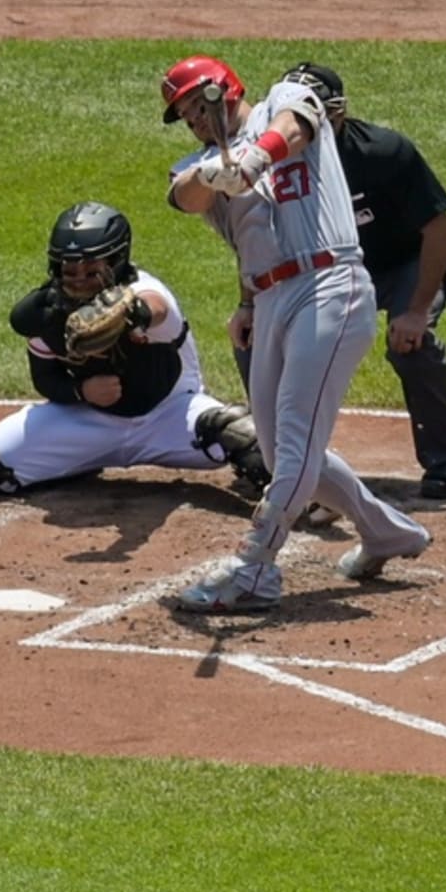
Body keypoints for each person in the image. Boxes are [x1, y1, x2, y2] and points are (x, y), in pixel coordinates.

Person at [158, 55, 430, 613]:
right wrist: (213, 174)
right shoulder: (202, 161)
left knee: (296, 435)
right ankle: (387, 532)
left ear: (226, 89)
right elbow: (185, 196)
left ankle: (255, 566)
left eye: (197, 106)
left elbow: (298, 125)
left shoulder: (285, 97)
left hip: (330, 282)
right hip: (273, 298)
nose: (196, 120)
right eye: (186, 116)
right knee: (284, 445)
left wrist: (255, 158)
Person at [0, 200, 270, 498]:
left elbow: (156, 307)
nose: (79, 280)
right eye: (70, 270)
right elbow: (44, 378)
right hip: (90, 422)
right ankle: (81, 463)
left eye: (92, 271)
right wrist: (82, 391)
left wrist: (130, 312)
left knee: (241, 435)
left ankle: (302, 493)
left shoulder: (144, 290)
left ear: (116, 262)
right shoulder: (48, 313)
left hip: (171, 416)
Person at [269, 62, 446, 500]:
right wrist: (251, 306)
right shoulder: (276, 162)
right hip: (331, 269)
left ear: (337, 114)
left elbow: (439, 232)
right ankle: (277, 460)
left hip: (405, 265)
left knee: (410, 346)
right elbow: (258, 240)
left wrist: (417, 311)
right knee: (265, 341)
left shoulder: (385, 154)